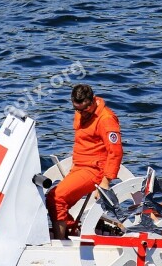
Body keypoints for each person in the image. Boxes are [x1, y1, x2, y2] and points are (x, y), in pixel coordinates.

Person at [46, 84, 123, 239]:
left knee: (57, 198)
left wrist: (106, 182)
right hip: (79, 167)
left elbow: (115, 152)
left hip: (94, 170)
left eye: (84, 109)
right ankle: (70, 229)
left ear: (92, 101)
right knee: (52, 198)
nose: (81, 113)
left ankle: (62, 241)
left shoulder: (106, 119)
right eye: (77, 109)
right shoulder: (80, 112)